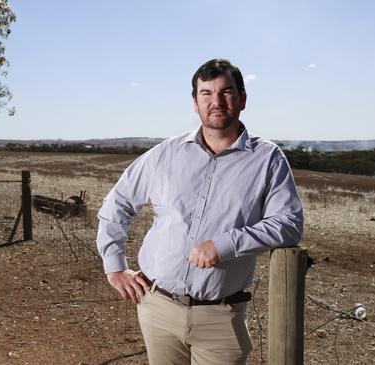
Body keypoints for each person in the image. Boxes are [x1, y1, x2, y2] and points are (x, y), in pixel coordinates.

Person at [96, 58, 304, 364]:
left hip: (221, 318)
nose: (215, 101)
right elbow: (118, 204)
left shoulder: (267, 159)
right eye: (206, 93)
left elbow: (288, 223)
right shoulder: (165, 154)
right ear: (195, 103)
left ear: (242, 99)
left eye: (225, 92)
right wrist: (114, 266)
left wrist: (225, 244)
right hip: (158, 308)